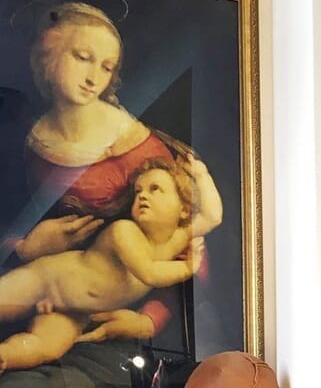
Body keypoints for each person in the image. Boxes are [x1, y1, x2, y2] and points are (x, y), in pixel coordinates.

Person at [0, 1, 222, 388]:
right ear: (47, 54)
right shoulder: (25, 139)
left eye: (105, 67)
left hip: (110, 327)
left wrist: (148, 321)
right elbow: (11, 223)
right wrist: (27, 246)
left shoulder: (142, 150)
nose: (93, 78)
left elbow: (192, 244)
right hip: (55, 279)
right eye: (83, 58)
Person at [0, 157, 219, 372]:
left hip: (76, 312)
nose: (142, 195)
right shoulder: (125, 231)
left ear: (184, 209)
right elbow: (149, 273)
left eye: (155, 189)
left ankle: (4, 357)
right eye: (138, 191)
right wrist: (187, 267)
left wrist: (201, 175)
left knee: (47, 347)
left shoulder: (178, 238)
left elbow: (212, 218)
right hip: (46, 279)